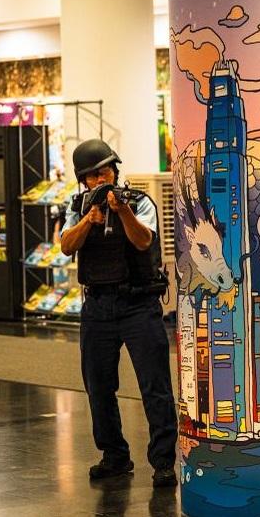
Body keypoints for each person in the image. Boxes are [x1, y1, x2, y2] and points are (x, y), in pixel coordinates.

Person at [60, 140, 178, 486]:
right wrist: (89, 220)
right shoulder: (77, 206)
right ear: (83, 180)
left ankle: (163, 462)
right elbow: (67, 245)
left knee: (154, 385)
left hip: (138, 304)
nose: (100, 180)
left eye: (105, 172)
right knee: (98, 386)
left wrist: (121, 210)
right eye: (93, 176)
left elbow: (143, 241)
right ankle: (114, 456)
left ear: (115, 170)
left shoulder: (139, 203)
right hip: (97, 306)